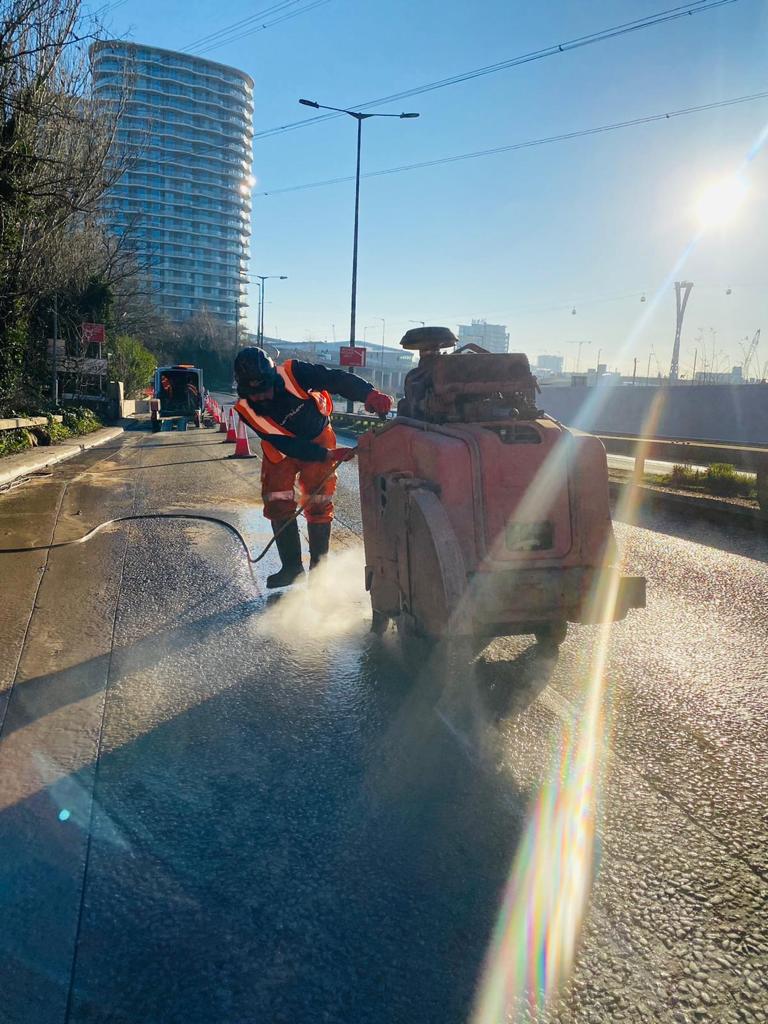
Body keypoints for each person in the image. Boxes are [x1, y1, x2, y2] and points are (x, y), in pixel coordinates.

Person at [233, 347, 392, 588]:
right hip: (282, 449)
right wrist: (327, 455)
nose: (261, 397)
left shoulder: (294, 372)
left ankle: (319, 573)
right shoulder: (246, 409)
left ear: (272, 377)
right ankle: (291, 568)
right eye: (254, 393)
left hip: (318, 435)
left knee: (318, 501)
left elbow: (335, 379)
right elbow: (284, 442)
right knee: (276, 500)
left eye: (264, 389)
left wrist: (368, 394)